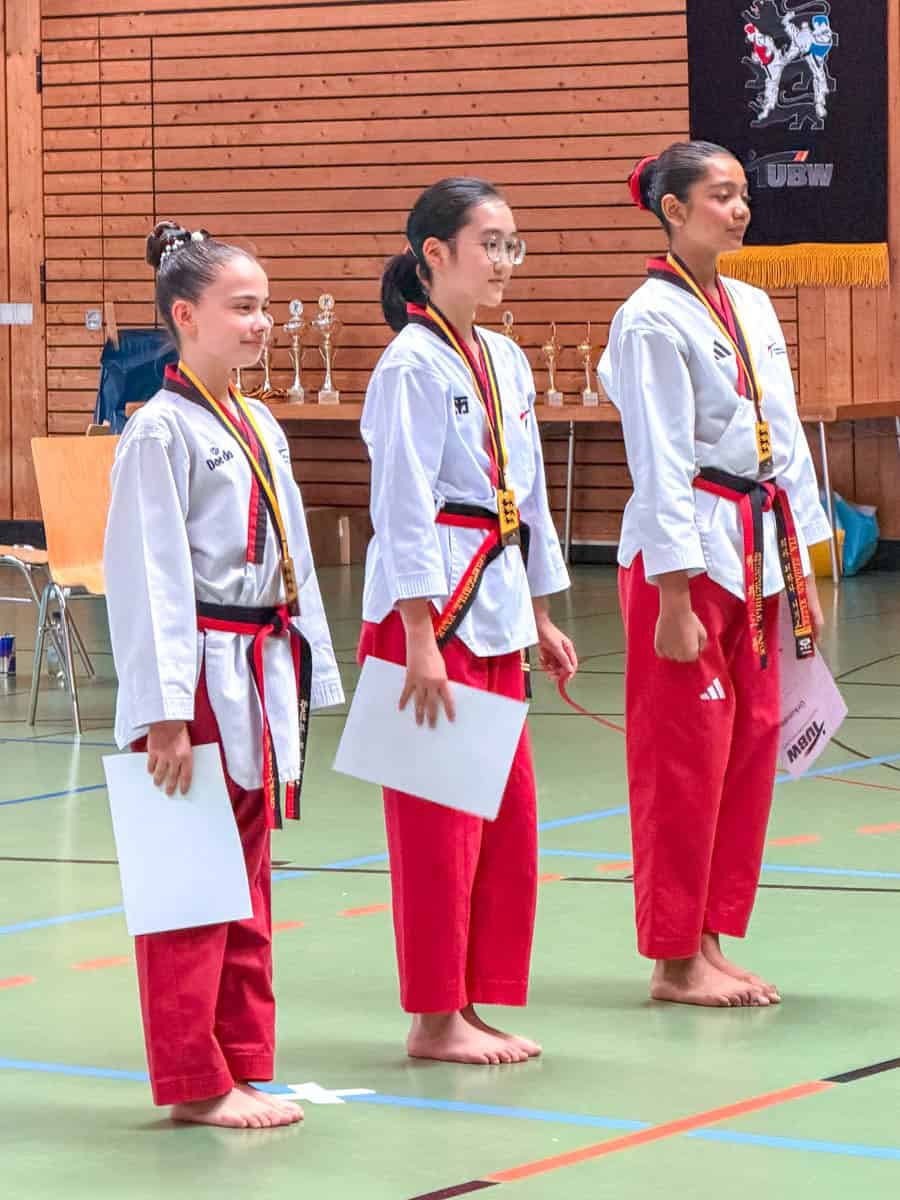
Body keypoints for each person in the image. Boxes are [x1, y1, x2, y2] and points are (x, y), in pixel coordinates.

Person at [104, 221, 344, 1126]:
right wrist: (164, 712)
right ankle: (195, 1082)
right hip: (196, 673)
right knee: (189, 879)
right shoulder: (158, 432)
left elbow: (292, 562)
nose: (262, 324)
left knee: (246, 875)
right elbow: (150, 578)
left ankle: (239, 1058)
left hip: (258, 660)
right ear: (185, 314)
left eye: (266, 308)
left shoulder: (256, 422)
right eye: (243, 308)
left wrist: (312, 665)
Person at [599, 142, 831, 1008]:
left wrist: (808, 554)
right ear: (672, 208)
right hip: (690, 551)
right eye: (720, 196)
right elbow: (656, 457)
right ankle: (671, 958)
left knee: (750, 747)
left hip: (760, 544)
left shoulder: (754, 303)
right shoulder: (649, 317)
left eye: (743, 195)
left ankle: (710, 933)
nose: (738, 210)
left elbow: (785, 431)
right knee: (682, 759)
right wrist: (670, 592)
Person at [358, 178, 577, 1064]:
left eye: (513, 244)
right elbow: (401, 505)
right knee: (436, 828)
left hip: (492, 603)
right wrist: (416, 637)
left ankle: (474, 1000)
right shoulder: (408, 365)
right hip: (429, 618)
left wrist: (542, 609)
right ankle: (432, 1017)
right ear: (434, 255)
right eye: (490, 243)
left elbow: (524, 497)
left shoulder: (506, 359)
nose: (504, 262)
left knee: (505, 818)